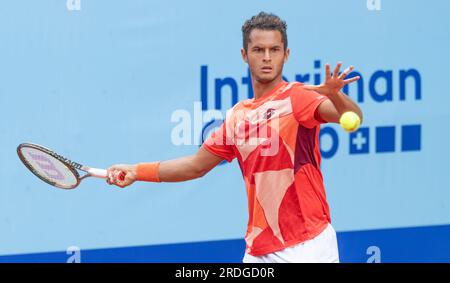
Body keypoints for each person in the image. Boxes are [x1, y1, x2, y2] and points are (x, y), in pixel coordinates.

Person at [106, 11, 363, 263]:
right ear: (244, 55)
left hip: (308, 246)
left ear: (286, 55)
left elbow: (352, 116)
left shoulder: (297, 97)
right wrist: (137, 171)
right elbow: (195, 166)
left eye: (274, 50)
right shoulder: (237, 117)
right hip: (259, 248)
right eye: (258, 50)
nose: (266, 58)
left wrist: (336, 95)